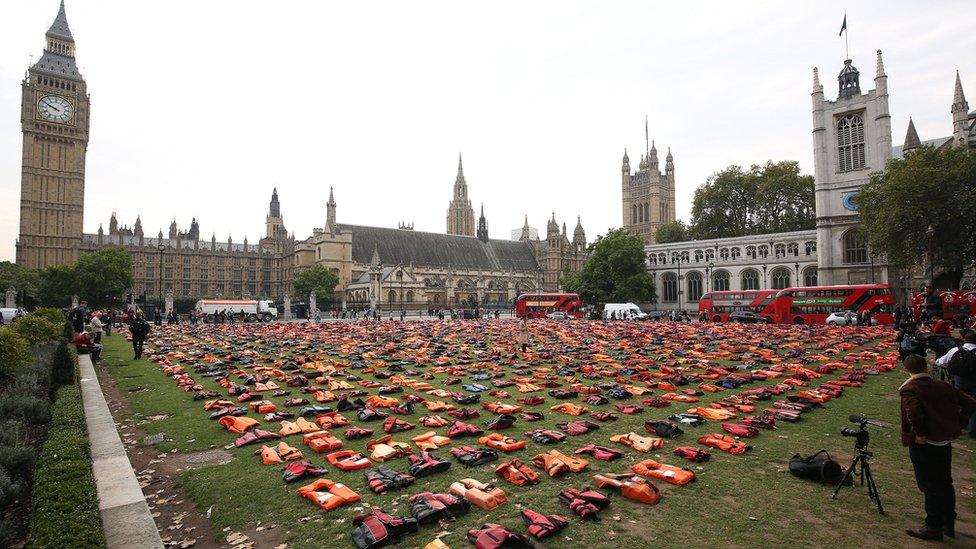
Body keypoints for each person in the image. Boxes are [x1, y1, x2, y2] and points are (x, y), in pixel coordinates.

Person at [899, 354, 976, 541]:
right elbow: (971, 403)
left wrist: (920, 434)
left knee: (930, 485)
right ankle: (949, 521)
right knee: (945, 482)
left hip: (926, 443)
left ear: (906, 370)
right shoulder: (944, 385)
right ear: (925, 367)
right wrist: (959, 423)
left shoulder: (911, 388)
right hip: (944, 441)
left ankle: (933, 525)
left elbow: (914, 414)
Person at [938, 331, 976, 437]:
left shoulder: (956, 350)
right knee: (974, 404)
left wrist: (935, 361)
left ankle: (954, 426)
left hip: (959, 380)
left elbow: (942, 362)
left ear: (964, 339)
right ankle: (972, 430)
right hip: (974, 381)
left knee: (956, 403)